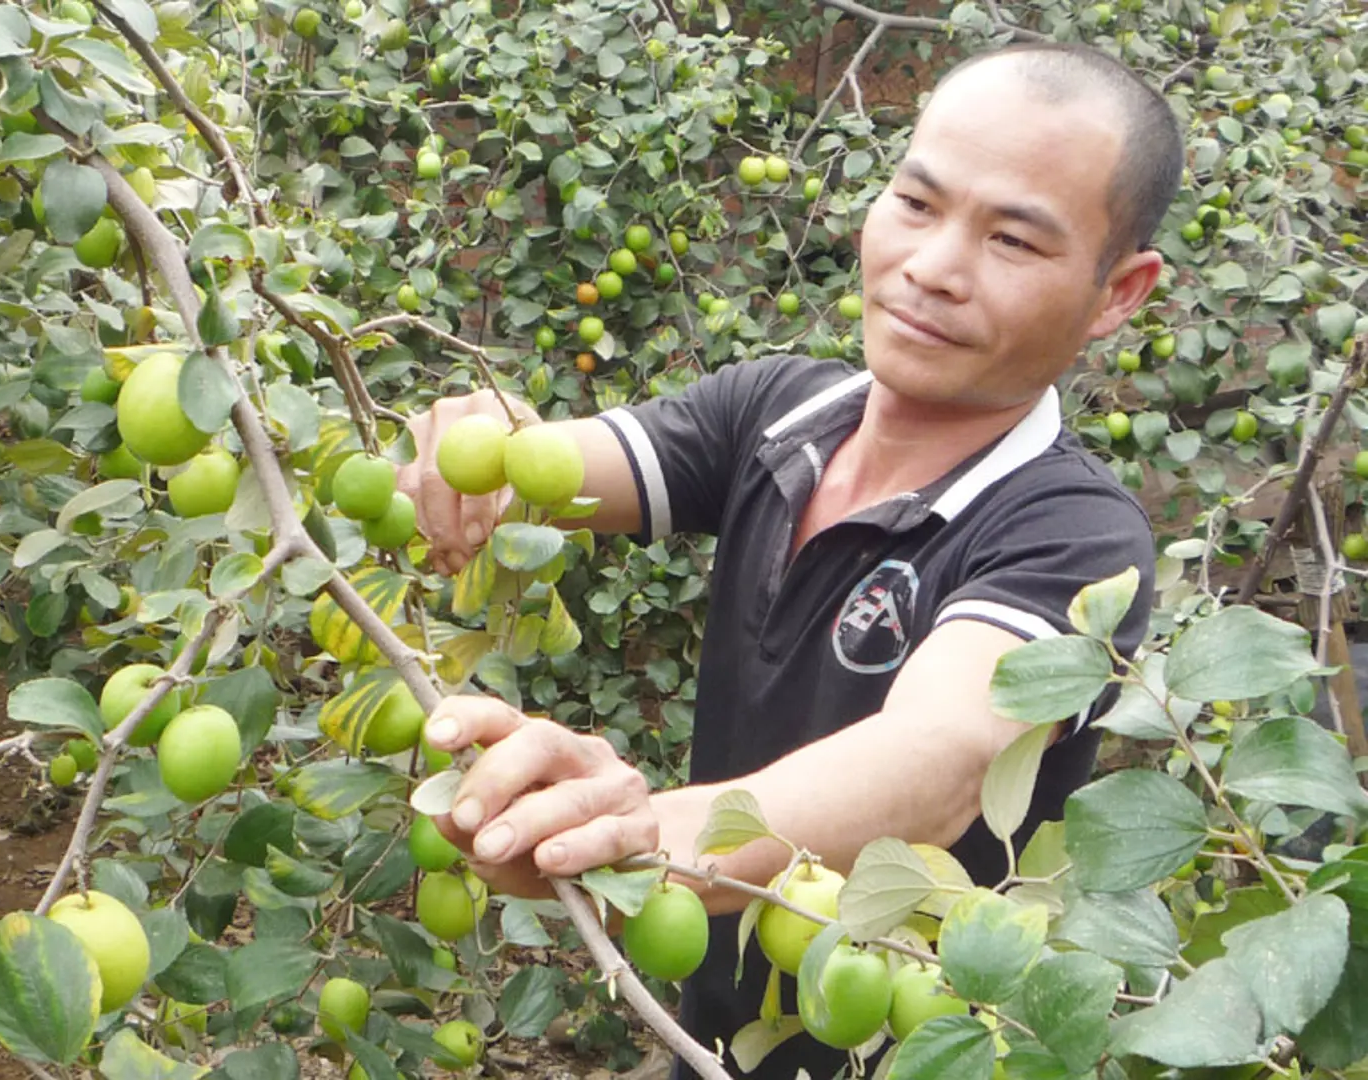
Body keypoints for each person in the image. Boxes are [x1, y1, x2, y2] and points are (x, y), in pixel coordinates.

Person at [395, 40, 1184, 1080]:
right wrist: (479, 445)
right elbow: (563, 465)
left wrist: (637, 833)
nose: (933, 267)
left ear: (1117, 293)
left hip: (919, 1053)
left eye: (1013, 242)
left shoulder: (1072, 536)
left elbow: (938, 762)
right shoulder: (781, 412)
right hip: (715, 1045)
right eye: (916, 202)